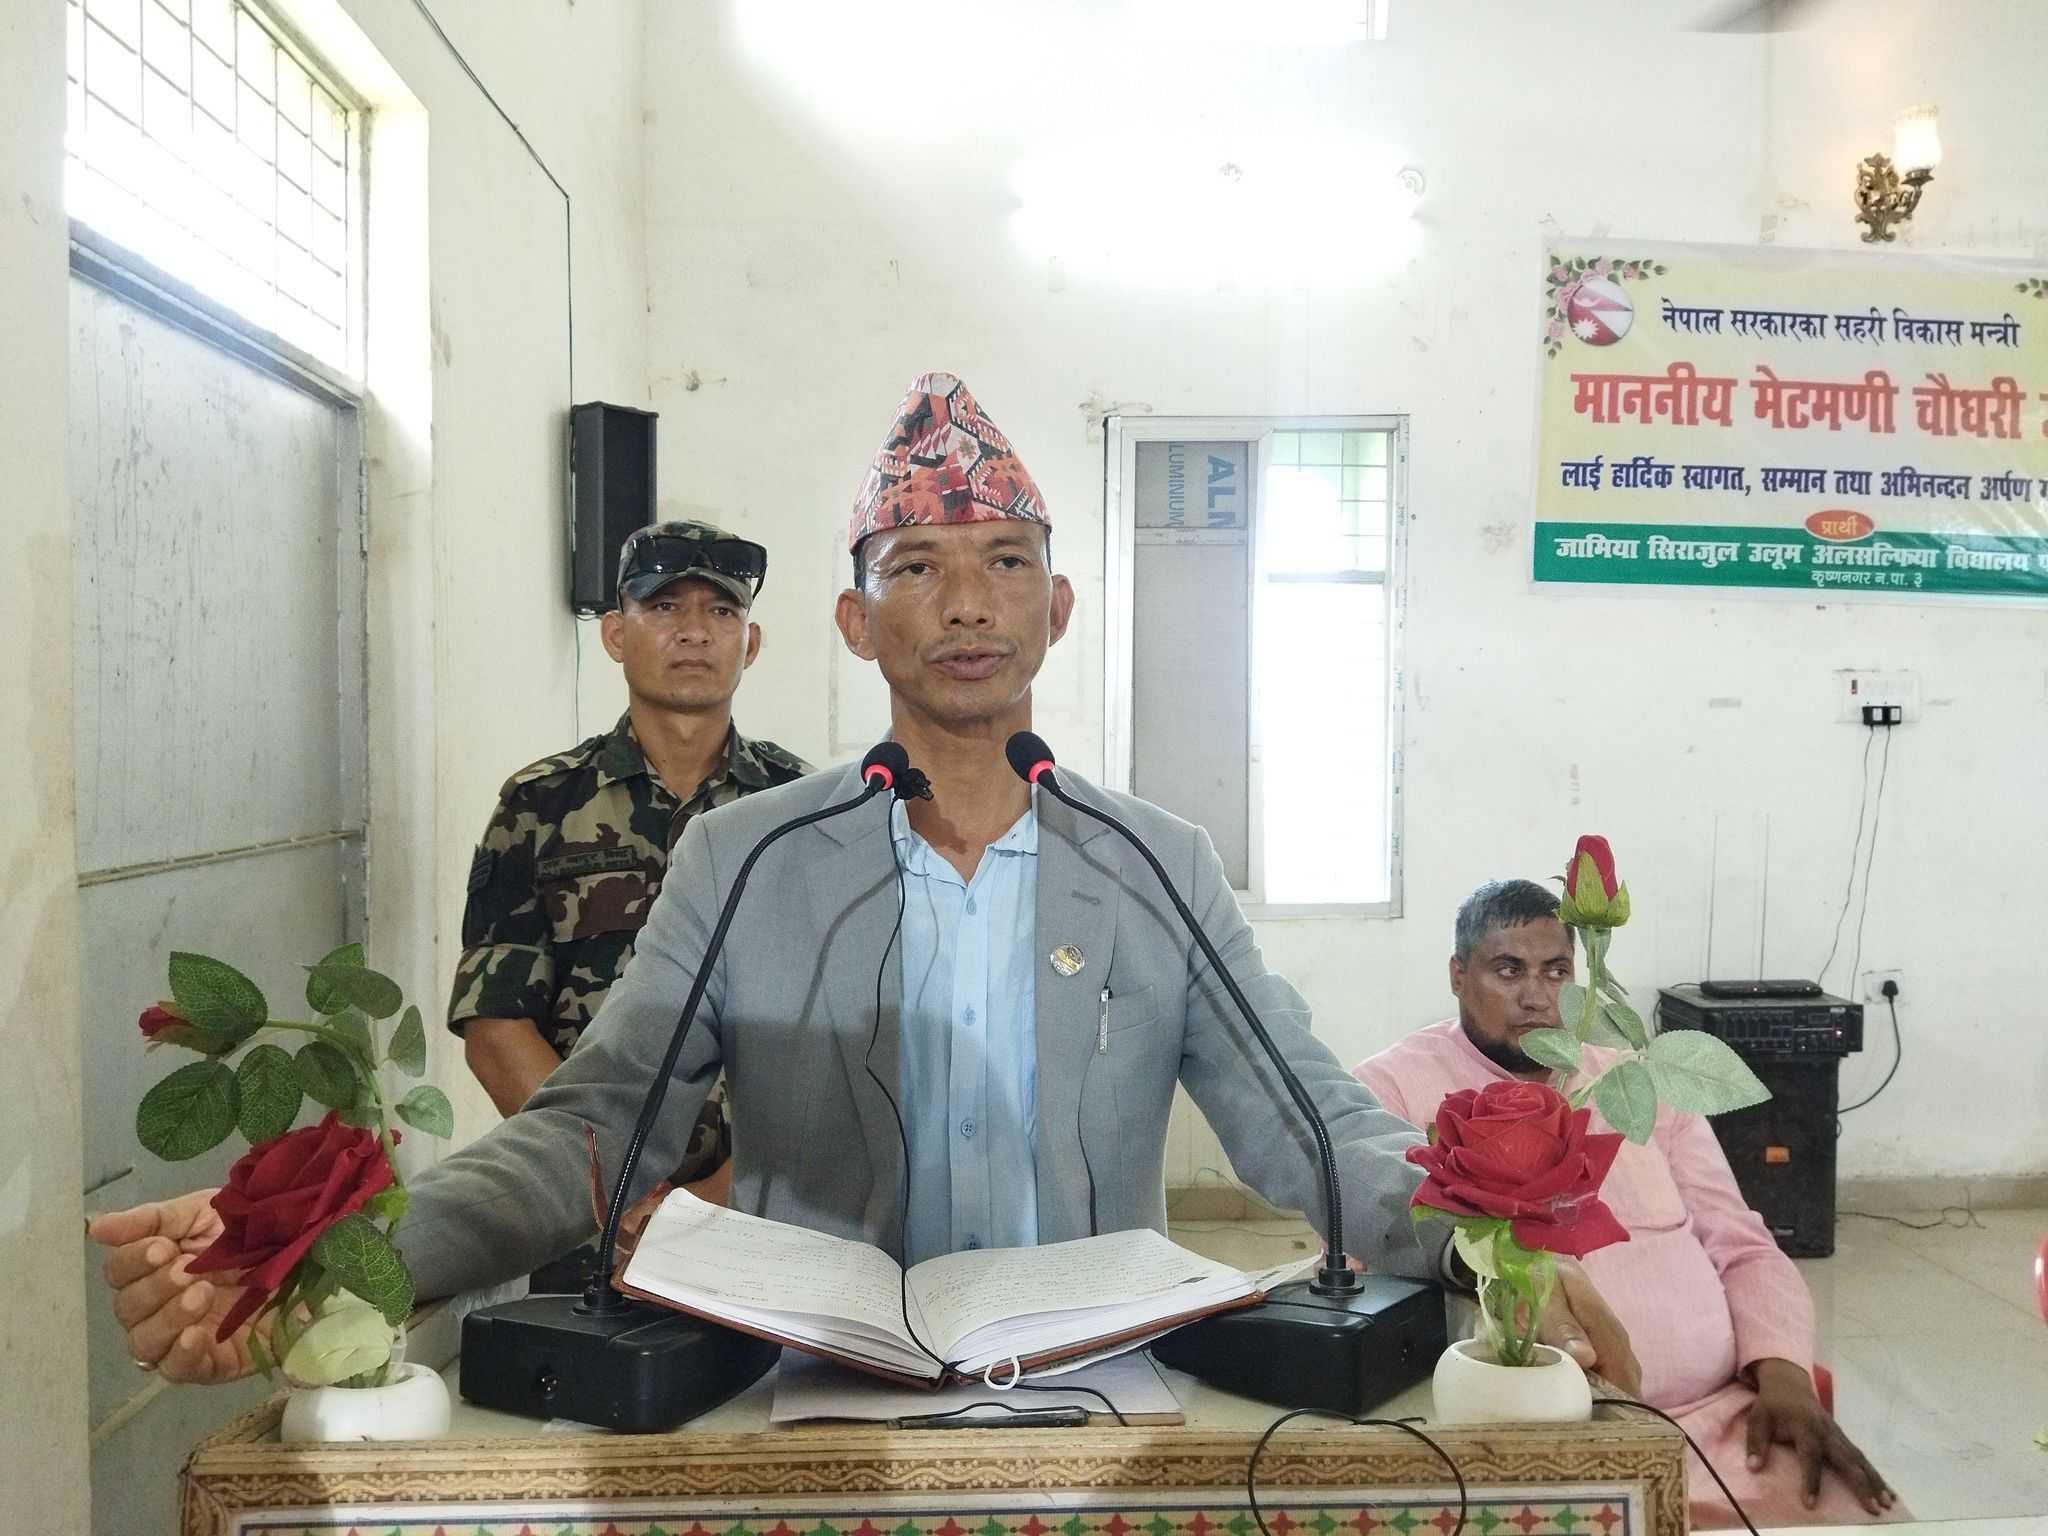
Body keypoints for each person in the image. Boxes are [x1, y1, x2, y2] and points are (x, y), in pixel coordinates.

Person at [90, 373, 1634, 1394]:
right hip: (802, 1402)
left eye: (1006, 561)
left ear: (1061, 605)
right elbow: (587, 1134)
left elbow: (1320, 1129)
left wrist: (1499, 1255)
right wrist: (347, 1258)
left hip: (1098, 1406)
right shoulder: (752, 854)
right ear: (850, 619)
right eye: (917, 568)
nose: (966, 603)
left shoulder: (1158, 864)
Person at [1352, 879, 1902, 1529]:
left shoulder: (1634, 1082)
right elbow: (1373, 1267)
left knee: (1868, 1520)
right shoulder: (1390, 1089)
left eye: (1556, 971)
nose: (1535, 996)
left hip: (1722, 1429)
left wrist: (1783, 1372)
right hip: (1534, 1449)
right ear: (1457, 974)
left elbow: (1742, 1242)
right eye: (1508, 970)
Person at [451, 519, 810, 1234]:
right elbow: (497, 1024)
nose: (695, 632)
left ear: (751, 642)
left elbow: (832, 1036)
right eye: (665, 607)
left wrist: (719, 1199)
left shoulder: (799, 811)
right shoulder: (541, 804)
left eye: (722, 611)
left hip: (758, 1215)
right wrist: (602, 1188)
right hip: (578, 1218)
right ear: (617, 634)